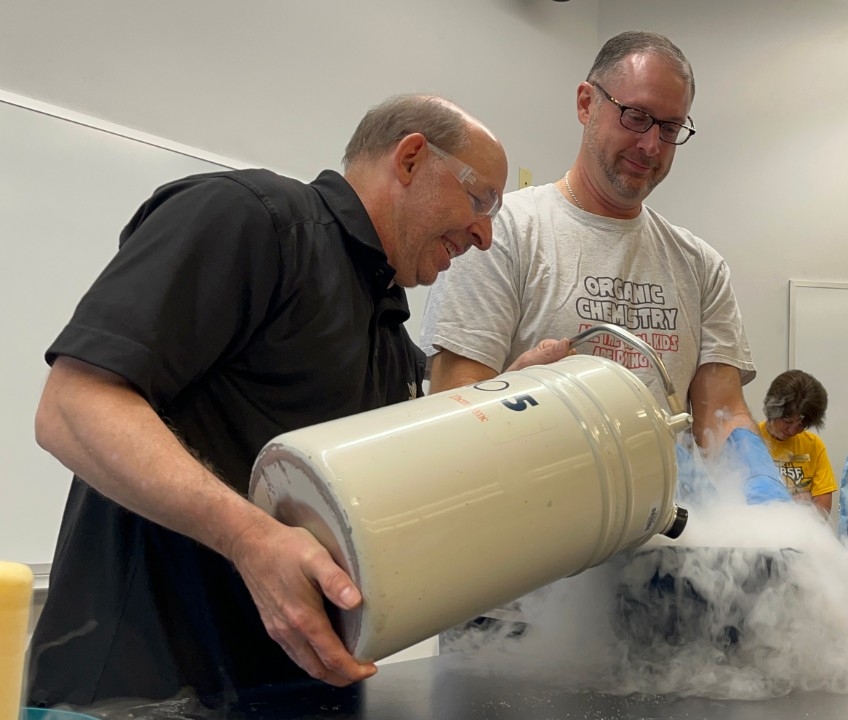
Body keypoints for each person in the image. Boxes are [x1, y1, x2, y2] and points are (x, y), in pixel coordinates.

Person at [27, 95, 508, 707]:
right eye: (480, 200)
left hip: (279, 693)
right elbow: (72, 406)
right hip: (139, 694)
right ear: (411, 159)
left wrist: (524, 397)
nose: (486, 235)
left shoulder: (386, 334)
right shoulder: (250, 219)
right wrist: (252, 540)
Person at [419, 31, 787, 503]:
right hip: (539, 545)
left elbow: (722, 413)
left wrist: (763, 493)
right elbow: (452, 408)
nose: (652, 145)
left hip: (666, 541)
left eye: (670, 129)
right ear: (586, 103)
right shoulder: (501, 234)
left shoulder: (700, 266)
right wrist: (515, 397)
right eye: (636, 117)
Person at [758, 370, 836, 514]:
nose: (792, 431)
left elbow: (823, 508)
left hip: (800, 531)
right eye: (787, 421)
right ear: (771, 411)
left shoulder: (813, 446)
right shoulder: (750, 440)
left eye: (801, 425)